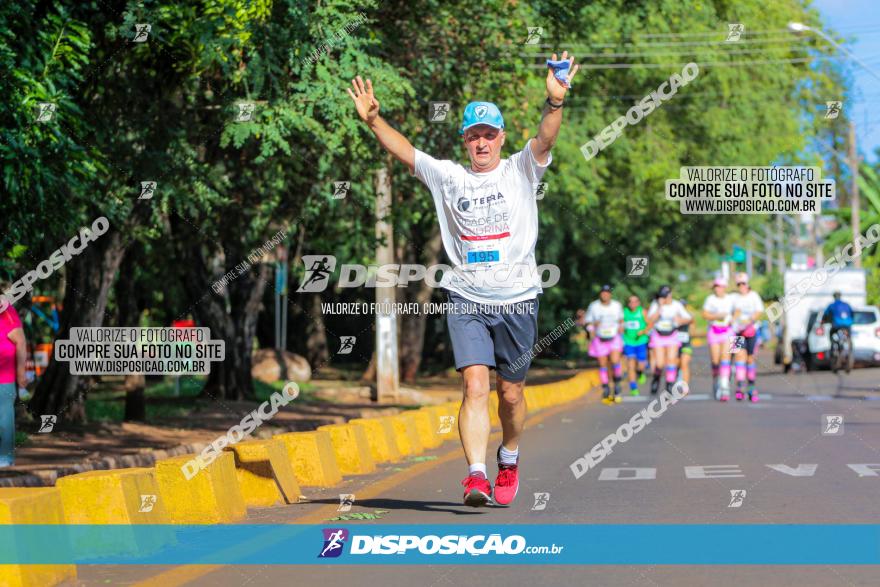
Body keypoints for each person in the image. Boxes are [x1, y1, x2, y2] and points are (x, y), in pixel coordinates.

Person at [348, 53, 579, 507]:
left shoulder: (520, 169)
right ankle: (476, 475)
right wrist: (375, 121)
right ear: (465, 142)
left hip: (517, 299)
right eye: (473, 136)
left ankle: (508, 457)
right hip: (466, 296)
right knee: (475, 385)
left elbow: (545, 141)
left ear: (501, 138)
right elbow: (407, 151)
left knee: (510, 394)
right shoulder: (449, 178)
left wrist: (554, 103)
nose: (481, 143)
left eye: (488, 135)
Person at [582, 285, 625, 404]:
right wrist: (592, 328)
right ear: (600, 294)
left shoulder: (616, 305)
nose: (605, 295)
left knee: (615, 360)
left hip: (614, 337)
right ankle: (606, 387)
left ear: (610, 294)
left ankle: (617, 384)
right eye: (603, 292)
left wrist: (621, 327)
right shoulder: (594, 306)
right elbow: (588, 322)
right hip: (600, 339)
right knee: (603, 363)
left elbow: (621, 320)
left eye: (607, 292)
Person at [646, 285, 691, 393]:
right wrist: (659, 308)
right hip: (659, 335)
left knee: (672, 360)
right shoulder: (656, 304)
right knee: (660, 363)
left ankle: (670, 383)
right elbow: (650, 320)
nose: (663, 298)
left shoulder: (676, 305)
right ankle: (656, 378)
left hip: (672, 335)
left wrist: (679, 320)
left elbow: (689, 318)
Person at [0, 293, 28, 467]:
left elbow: (21, 342)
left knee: (4, 417)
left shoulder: (6, 313)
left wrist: (20, 372)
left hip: (4, 377)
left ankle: (5, 457)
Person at [730, 273, 764, 402]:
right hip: (736, 332)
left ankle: (751, 386)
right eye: (739, 284)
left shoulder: (753, 296)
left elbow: (759, 311)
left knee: (750, 359)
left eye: (743, 283)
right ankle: (740, 387)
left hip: (752, 331)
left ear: (747, 284)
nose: (741, 286)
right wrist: (735, 318)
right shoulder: (733, 297)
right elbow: (731, 313)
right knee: (739, 358)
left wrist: (749, 320)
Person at [702, 277, 735, 401]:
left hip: (729, 331)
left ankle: (725, 386)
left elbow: (738, 310)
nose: (718, 289)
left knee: (725, 358)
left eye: (720, 286)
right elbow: (704, 314)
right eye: (716, 286)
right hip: (714, 331)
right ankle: (716, 381)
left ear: (724, 287)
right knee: (716, 361)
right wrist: (717, 315)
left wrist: (733, 318)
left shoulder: (731, 299)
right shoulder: (710, 299)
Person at [622, 294, 649, 396]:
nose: (632, 303)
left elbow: (650, 324)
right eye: (630, 301)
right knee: (630, 364)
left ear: (638, 303)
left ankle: (641, 372)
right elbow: (620, 324)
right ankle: (633, 387)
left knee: (641, 365)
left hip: (641, 341)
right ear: (628, 303)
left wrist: (643, 331)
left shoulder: (642, 312)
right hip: (629, 342)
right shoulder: (624, 312)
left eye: (635, 301)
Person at [822, 291, 854, 356]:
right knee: (849, 335)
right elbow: (852, 313)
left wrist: (823, 321)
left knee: (831, 334)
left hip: (837, 325)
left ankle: (833, 346)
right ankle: (850, 346)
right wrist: (851, 320)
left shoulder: (832, 305)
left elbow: (825, 314)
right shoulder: (846, 304)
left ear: (834, 297)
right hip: (848, 324)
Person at [676, 298, 694, 386]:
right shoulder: (672, 315)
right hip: (674, 344)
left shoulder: (689, 316)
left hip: (686, 343)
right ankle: (676, 379)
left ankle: (685, 386)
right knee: (676, 364)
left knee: (684, 364)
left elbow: (692, 329)